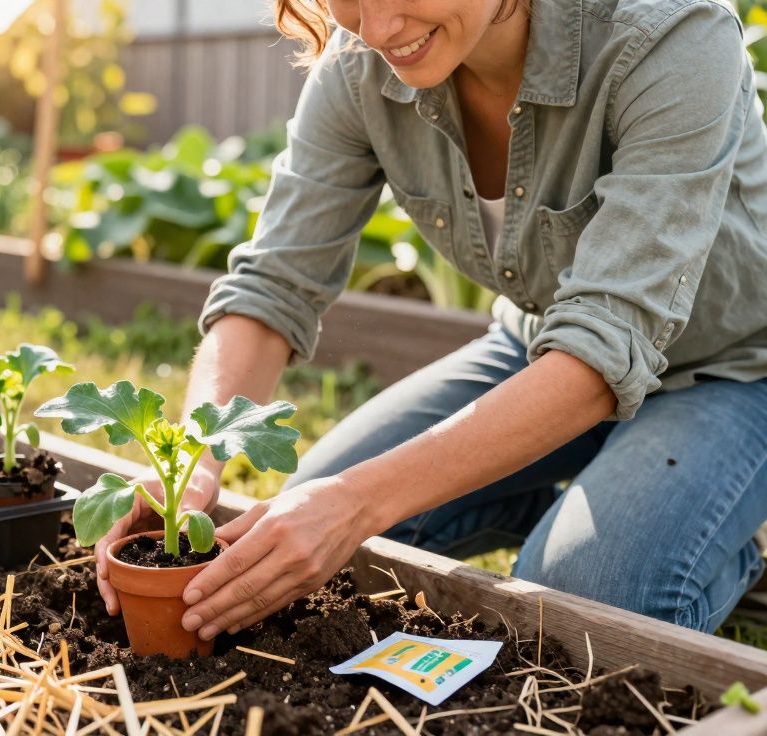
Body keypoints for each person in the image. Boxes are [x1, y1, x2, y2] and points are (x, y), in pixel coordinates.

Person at [93, 0, 767, 640]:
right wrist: (198, 458)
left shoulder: (670, 35)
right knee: (310, 538)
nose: (379, 27)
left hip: (731, 369)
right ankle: (555, 497)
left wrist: (359, 501)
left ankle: (731, 534)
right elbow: (273, 284)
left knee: (578, 596)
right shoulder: (360, 65)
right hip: (537, 349)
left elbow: (606, 342)